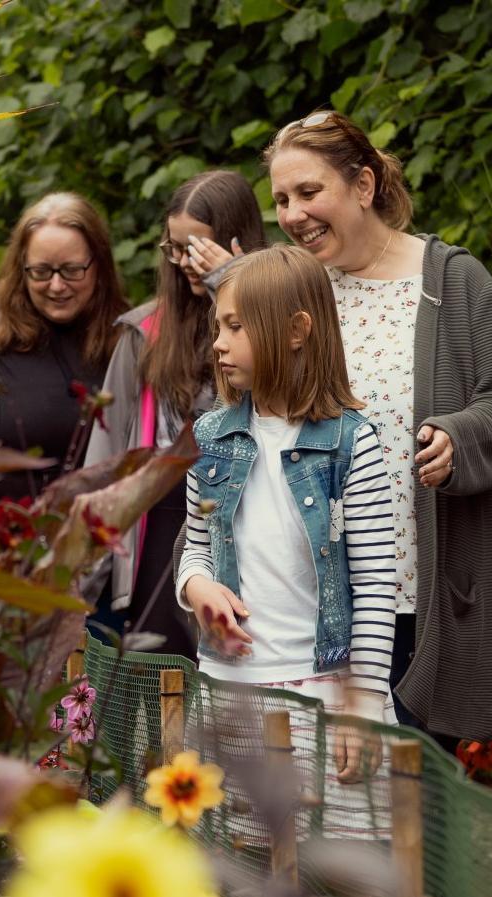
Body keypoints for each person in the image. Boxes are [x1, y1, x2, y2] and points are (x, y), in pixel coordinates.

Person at [263, 110, 492, 749]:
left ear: (363, 186)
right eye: (280, 199)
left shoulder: (451, 281)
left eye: (308, 191)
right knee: (322, 800)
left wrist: (455, 437)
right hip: (313, 592)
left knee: (416, 801)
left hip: (417, 588)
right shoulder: (296, 291)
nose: (293, 213)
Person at [175, 245, 398, 793]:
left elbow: (373, 584)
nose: (219, 343)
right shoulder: (207, 440)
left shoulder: (354, 445)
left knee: (338, 867)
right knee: (246, 865)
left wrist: (364, 702)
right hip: (230, 692)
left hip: (326, 694)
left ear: (297, 330)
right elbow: (197, 545)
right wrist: (195, 584)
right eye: (218, 327)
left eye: (236, 327)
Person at [85, 171, 266, 659]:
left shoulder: (271, 328)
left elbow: (277, 401)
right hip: (158, 531)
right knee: (159, 687)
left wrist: (232, 286)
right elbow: (103, 463)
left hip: (248, 519)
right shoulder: (142, 333)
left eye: (199, 249)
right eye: (175, 247)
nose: (186, 262)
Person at [0, 192, 128, 501]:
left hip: (101, 538)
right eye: (41, 272)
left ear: (99, 267)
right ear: (21, 268)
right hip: (2, 540)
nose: (57, 286)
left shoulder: (127, 341)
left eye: (72, 270)